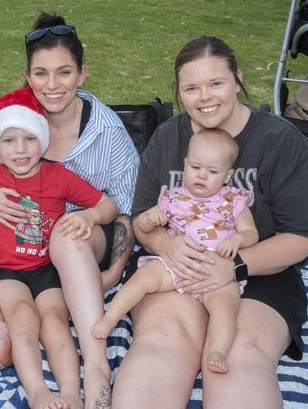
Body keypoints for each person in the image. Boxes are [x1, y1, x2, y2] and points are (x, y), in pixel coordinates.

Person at [0, 12, 139, 408]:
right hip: (16, 248)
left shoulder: (108, 132)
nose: (52, 85)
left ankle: (96, 363)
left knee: (67, 228)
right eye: (41, 73)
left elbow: (127, 211)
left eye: (63, 72)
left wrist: (114, 270)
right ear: (28, 76)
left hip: (81, 239)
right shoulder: (15, 117)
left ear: (82, 74)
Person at [111, 36, 308, 409]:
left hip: (262, 271)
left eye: (216, 83)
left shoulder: (280, 140)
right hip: (174, 266)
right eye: (191, 88)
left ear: (237, 80)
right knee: (165, 341)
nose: (205, 97)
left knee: (238, 355)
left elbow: (300, 237)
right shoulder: (169, 136)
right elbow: (141, 218)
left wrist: (232, 265)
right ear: (179, 92)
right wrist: (166, 246)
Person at [91, 128, 258, 374]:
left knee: (226, 306)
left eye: (212, 172)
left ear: (227, 175)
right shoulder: (173, 196)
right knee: (144, 278)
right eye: (195, 167)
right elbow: (144, 222)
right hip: (176, 264)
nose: (202, 176)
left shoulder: (233, 200)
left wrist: (237, 240)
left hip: (217, 270)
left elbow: (251, 233)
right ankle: (110, 316)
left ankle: (217, 350)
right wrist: (151, 219)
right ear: (185, 165)